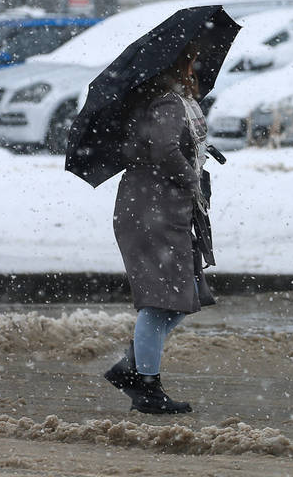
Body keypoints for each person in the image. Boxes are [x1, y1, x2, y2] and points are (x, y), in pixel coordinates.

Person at [103, 42, 216, 415]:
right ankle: (146, 386)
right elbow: (164, 150)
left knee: (182, 297)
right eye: (191, 61)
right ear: (178, 66)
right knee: (161, 302)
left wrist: (194, 157)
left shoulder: (161, 102)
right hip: (153, 213)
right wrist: (191, 178)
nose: (196, 67)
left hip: (156, 210)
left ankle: (133, 366)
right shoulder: (168, 103)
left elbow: (164, 145)